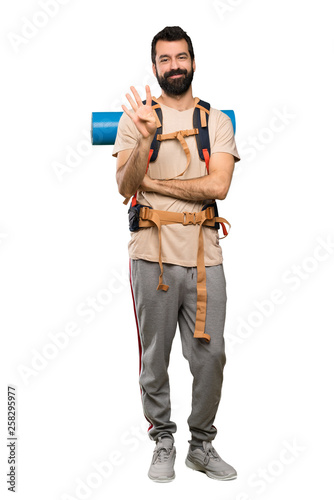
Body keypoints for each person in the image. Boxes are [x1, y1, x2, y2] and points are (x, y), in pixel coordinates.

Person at [113, 26, 240, 482]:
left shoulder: (216, 121)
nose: (174, 66)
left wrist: (156, 184)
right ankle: (162, 438)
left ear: (193, 61)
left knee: (211, 356)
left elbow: (218, 185)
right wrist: (145, 139)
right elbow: (125, 186)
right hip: (153, 254)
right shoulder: (137, 119)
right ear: (154, 67)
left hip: (205, 256)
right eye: (164, 59)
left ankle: (201, 445)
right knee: (154, 355)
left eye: (180, 57)